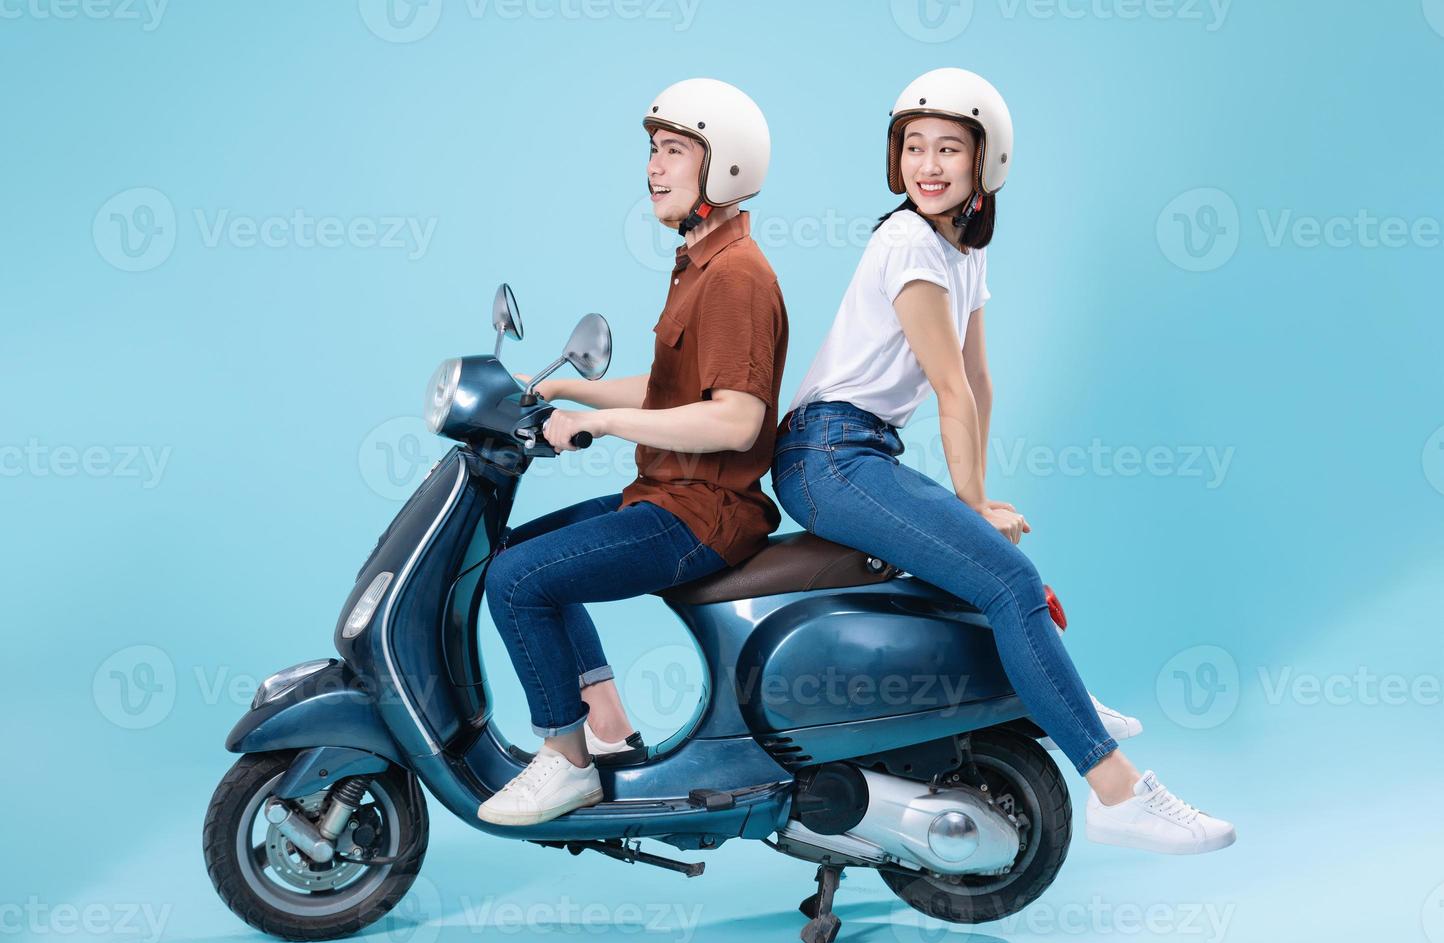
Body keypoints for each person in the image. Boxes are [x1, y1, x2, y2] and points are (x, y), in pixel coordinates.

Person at [771, 68, 1235, 854]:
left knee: (983, 576)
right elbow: (949, 389)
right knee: (1009, 578)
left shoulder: (960, 251)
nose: (928, 164)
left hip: (859, 450)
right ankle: (1119, 793)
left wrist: (972, 503)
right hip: (826, 453)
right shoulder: (908, 242)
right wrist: (974, 502)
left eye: (948, 148)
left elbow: (981, 380)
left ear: (986, 165)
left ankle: (1057, 695)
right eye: (914, 146)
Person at [477, 78, 788, 827]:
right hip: (665, 499)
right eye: (653, 150)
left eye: (675, 151)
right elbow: (669, 385)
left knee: (520, 581)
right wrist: (558, 392)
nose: (654, 167)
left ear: (725, 166)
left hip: (700, 516)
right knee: (514, 553)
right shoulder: (700, 263)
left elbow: (736, 421)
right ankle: (609, 730)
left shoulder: (738, 277)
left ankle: (567, 760)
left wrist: (607, 429)